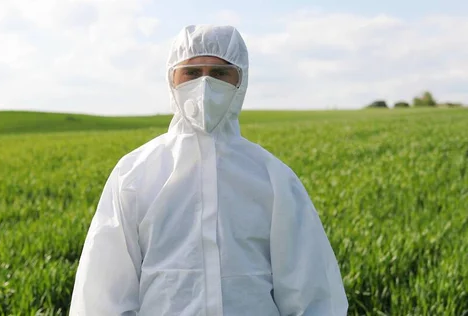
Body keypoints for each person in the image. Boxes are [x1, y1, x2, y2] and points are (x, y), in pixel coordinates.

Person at [68, 24, 348, 316]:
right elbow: (103, 295)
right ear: (172, 79)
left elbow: (312, 294)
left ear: (240, 80)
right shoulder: (133, 175)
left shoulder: (273, 178)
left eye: (220, 74)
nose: (204, 85)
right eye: (192, 72)